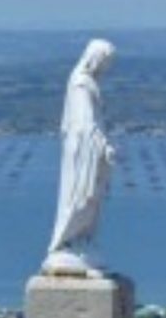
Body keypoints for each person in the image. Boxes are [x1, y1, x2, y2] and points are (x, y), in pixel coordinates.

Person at [44, 38, 117, 274]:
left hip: (90, 149)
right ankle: (65, 243)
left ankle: (81, 240)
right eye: (105, 61)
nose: (106, 67)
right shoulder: (80, 84)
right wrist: (104, 145)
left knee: (92, 198)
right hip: (83, 152)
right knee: (80, 197)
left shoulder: (88, 82)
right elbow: (85, 123)